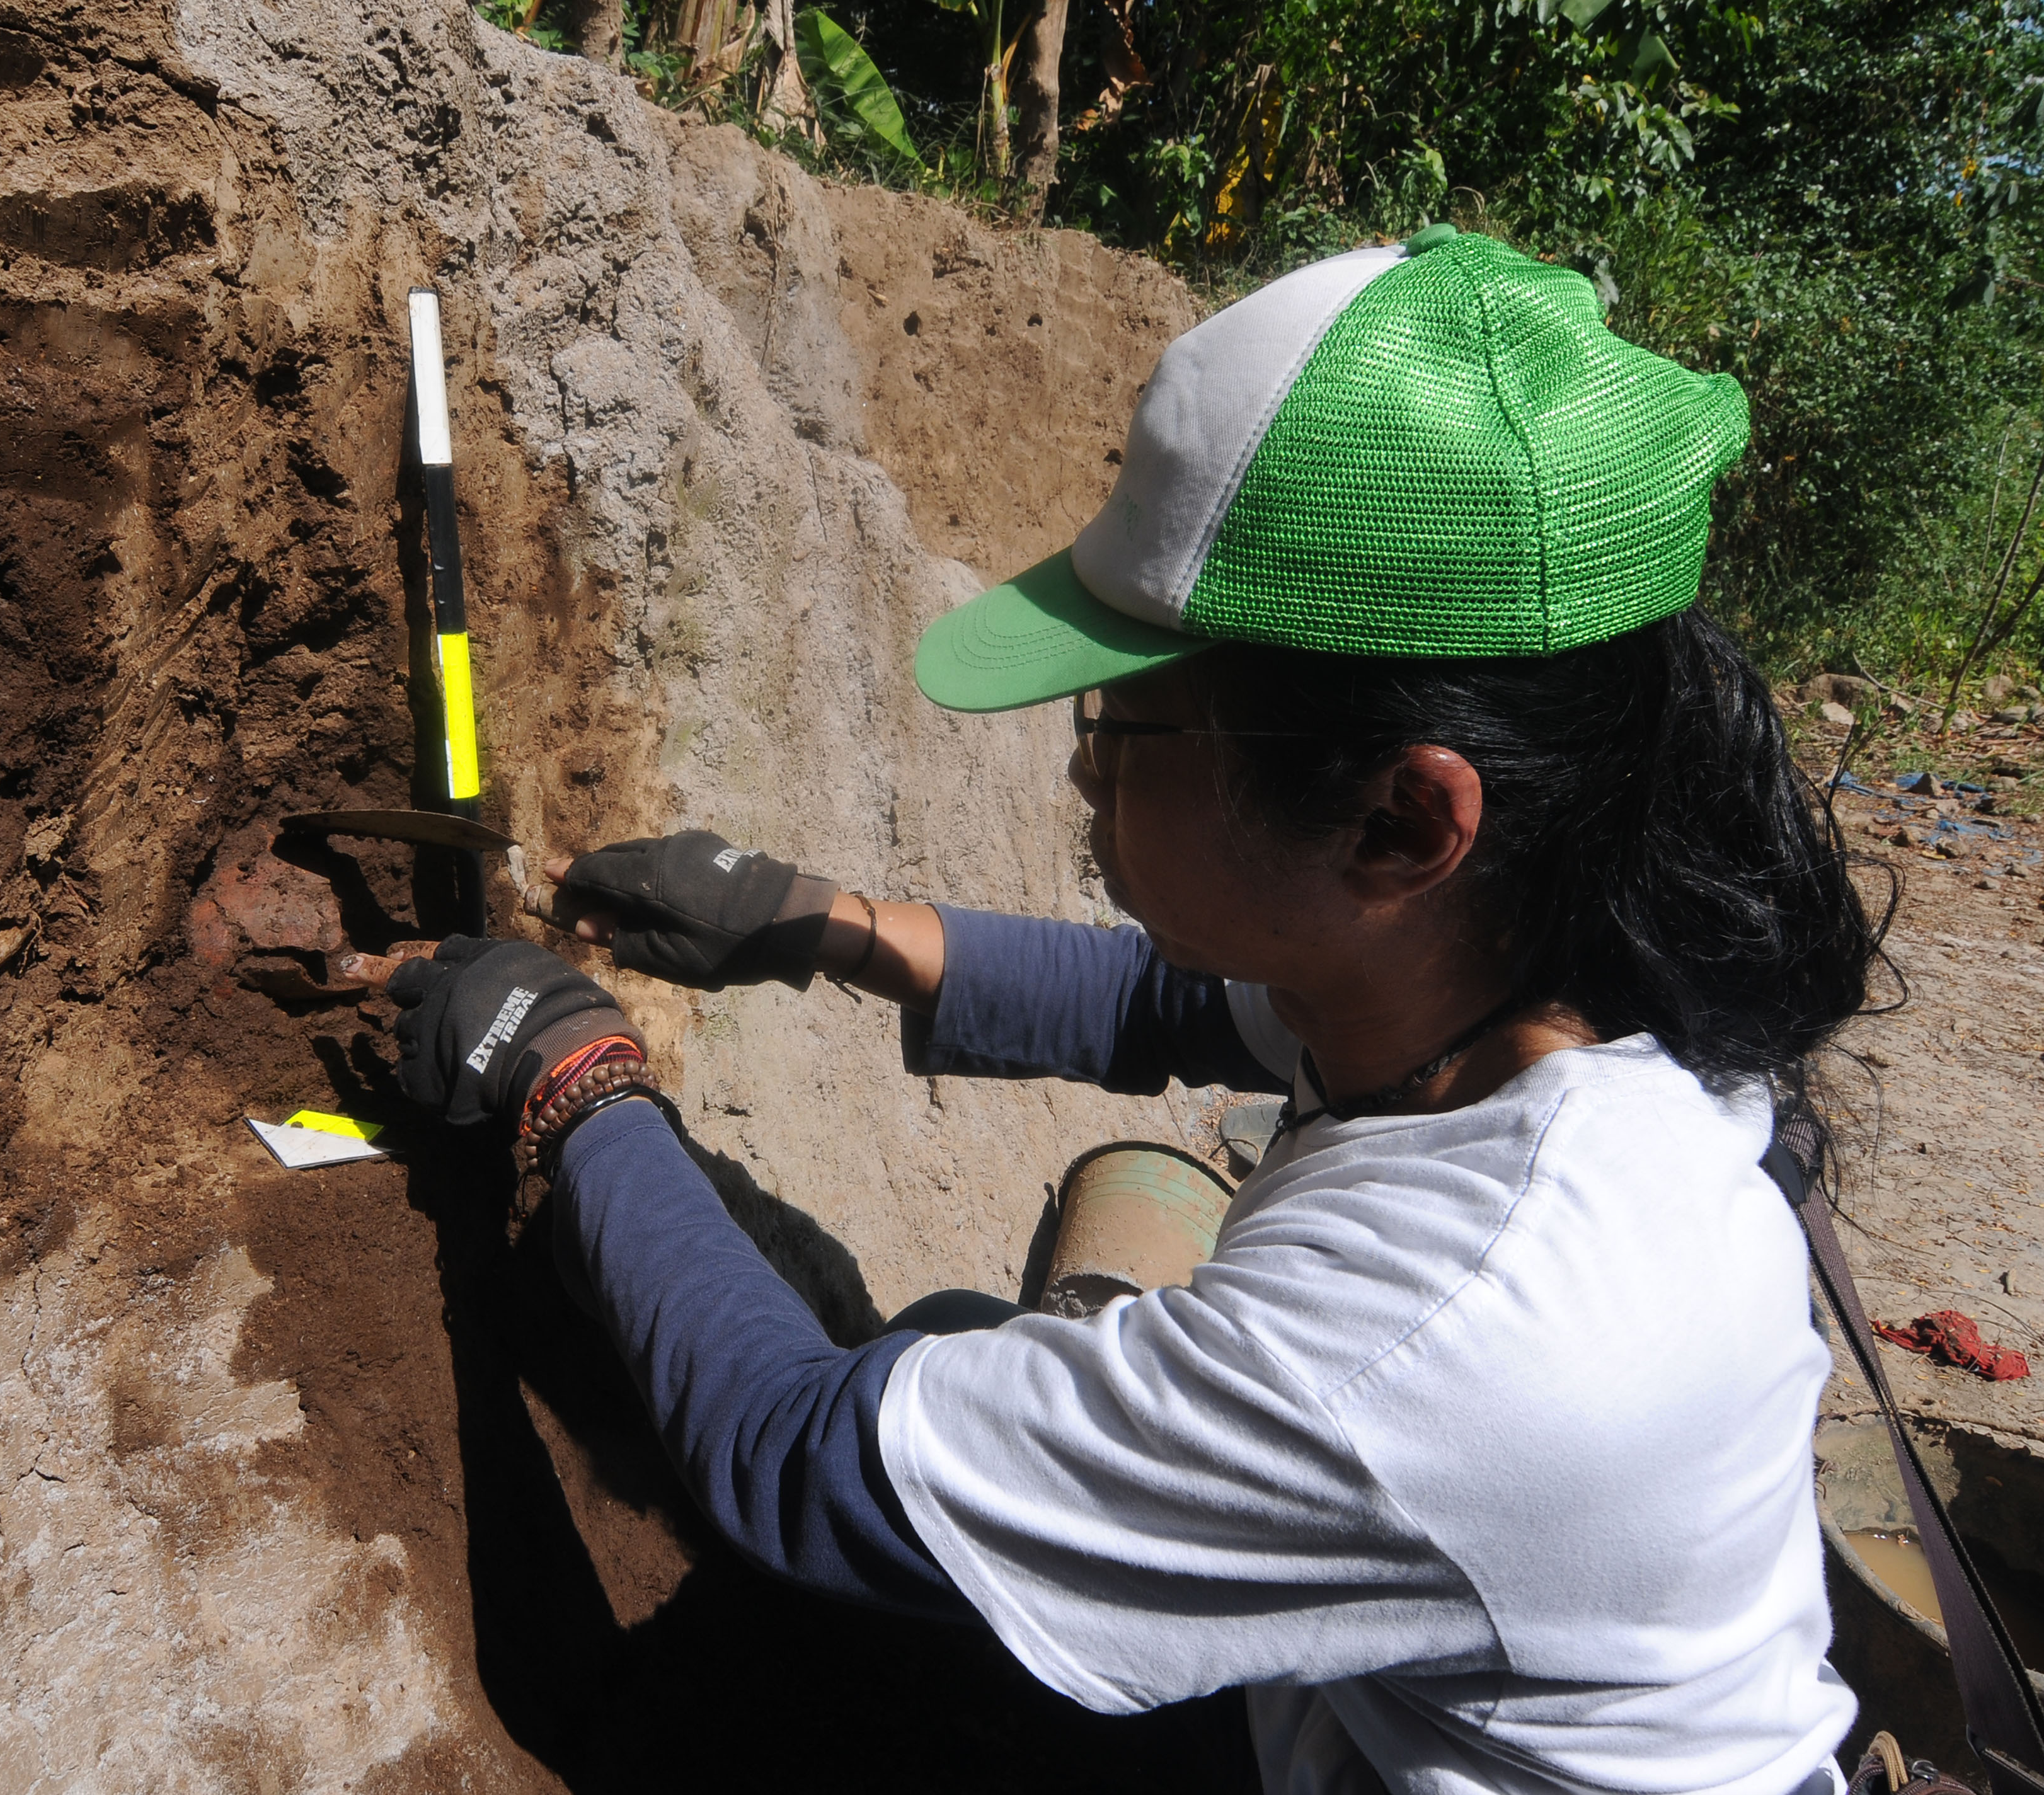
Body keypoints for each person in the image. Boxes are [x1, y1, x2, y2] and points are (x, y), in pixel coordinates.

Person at [382, 224, 1880, 1795]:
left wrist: (574, 1076)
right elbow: (1179, 1001)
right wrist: (819, 925)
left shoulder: (1444, 1332)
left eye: (1121, 721)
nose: (1083, 765)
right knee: (964, 1352)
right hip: (1360, 1721)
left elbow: (804, 1466)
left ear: (1397, 822)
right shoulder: (1540, 981)